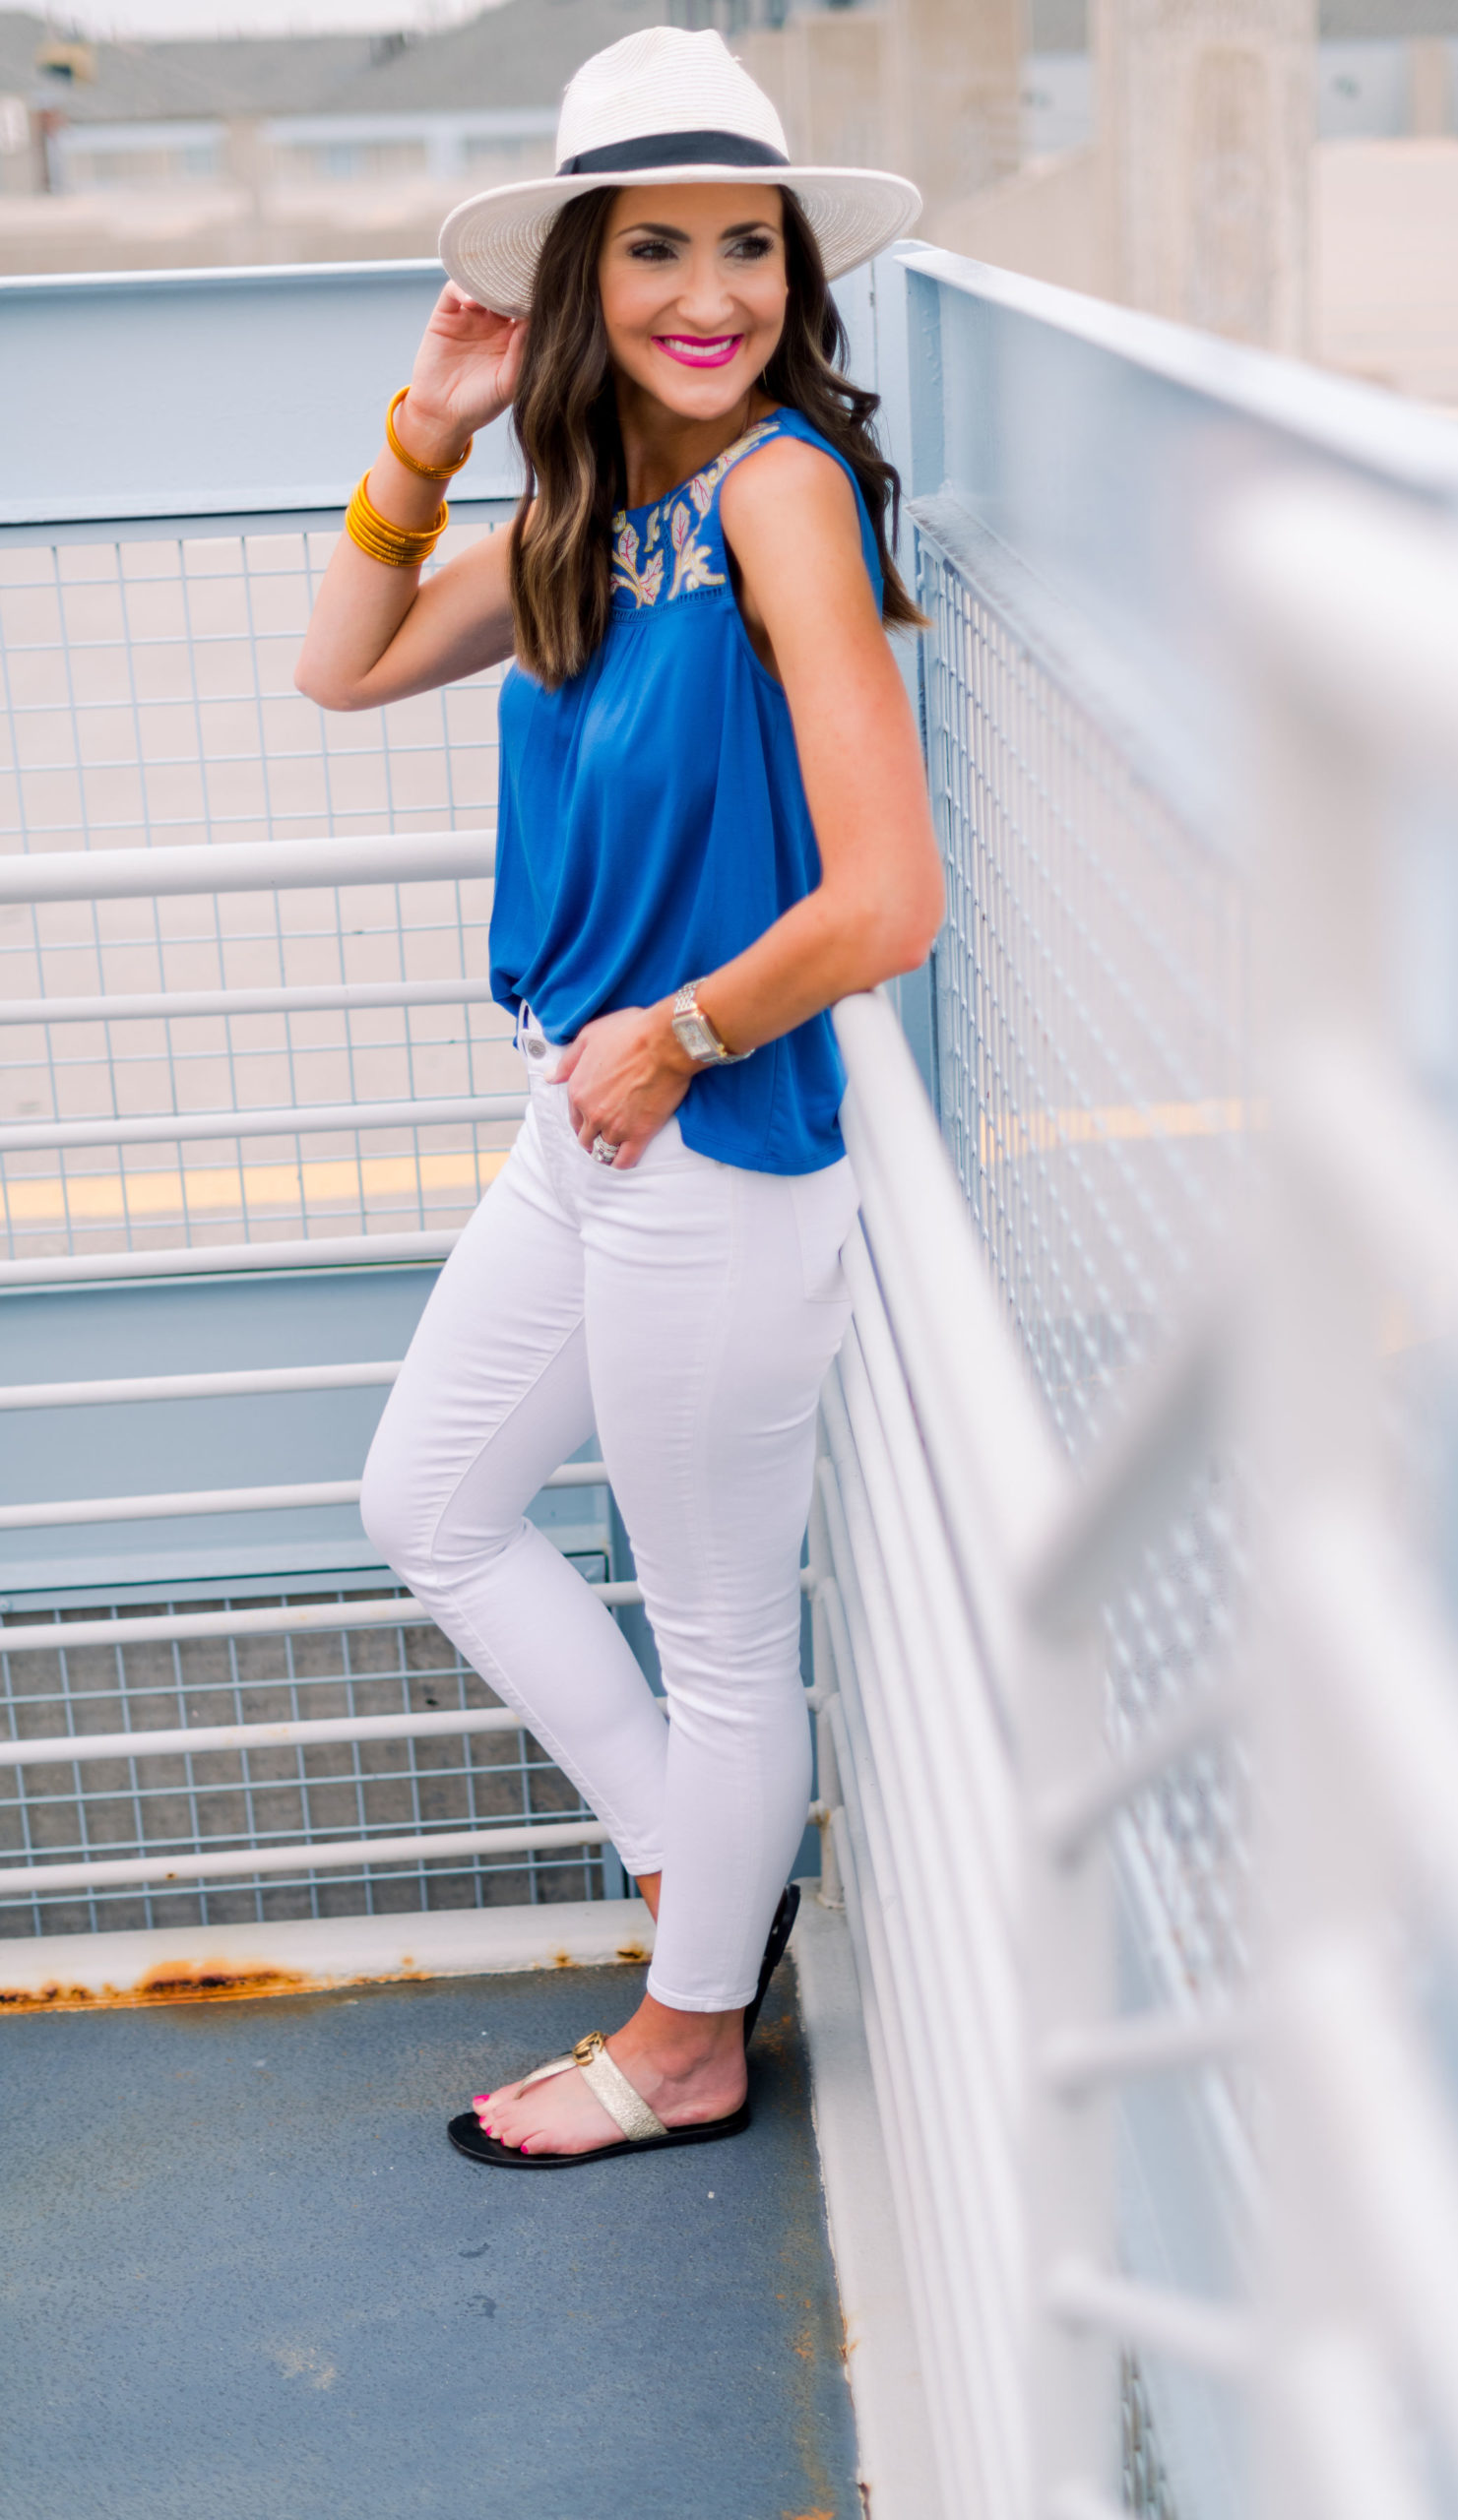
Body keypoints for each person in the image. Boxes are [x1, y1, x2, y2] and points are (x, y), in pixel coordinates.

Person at [295, 26, 941, 2169]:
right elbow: (347, 657)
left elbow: (890, 894)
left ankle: (686, 2040)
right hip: (583, 1128)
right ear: (579, 282)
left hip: (710, 1139)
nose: (706, 293)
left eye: (743, 247)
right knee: (429, 1500)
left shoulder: (772, 487)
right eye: (649, 249)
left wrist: (678, 1030)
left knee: (721, 1629)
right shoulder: (600, 507)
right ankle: (704, 1880)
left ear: (791, 271)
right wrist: (429, 426)